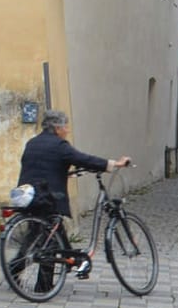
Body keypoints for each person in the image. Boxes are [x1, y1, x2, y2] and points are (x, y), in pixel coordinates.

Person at [15, 110, 131, 282]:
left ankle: (14, 270)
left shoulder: (32, 143)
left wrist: (61, 173)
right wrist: (115, 164)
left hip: (28, 196)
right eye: (65, 126)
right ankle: (44, 286)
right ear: (57, 128)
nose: (67, 130)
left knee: (37, 234)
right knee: (51, 240)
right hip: (49, 197)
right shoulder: (60, 145)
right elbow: (84, 159)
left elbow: (40, 166)